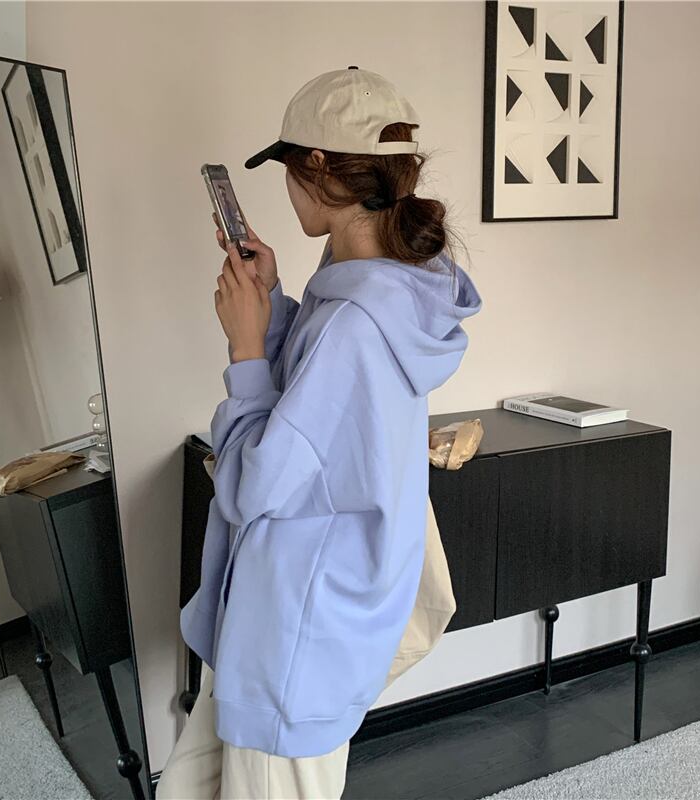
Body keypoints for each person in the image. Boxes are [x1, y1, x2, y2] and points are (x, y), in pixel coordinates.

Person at [157, 66, 483, 800]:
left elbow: (254, 486)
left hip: (295, 629)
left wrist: (246, 351)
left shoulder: (354, 322)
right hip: (296, 609)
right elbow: (321, 409)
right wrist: (272, 307)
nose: (286, 189)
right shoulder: (392, 285)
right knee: (191, 785)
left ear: (318, 167)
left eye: (287, 169)